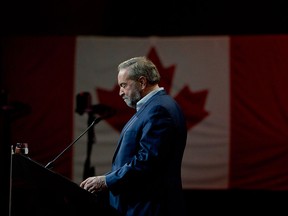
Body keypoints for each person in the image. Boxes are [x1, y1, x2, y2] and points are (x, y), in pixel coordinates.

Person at [80, 56, 187, 216]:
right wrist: (106, 177)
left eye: (123, 85)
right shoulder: (154, 107)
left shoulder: (159, 110)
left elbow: (147, 162)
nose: (120, 92)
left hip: (148, 208)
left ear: (142, 82)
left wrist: (106, 181)